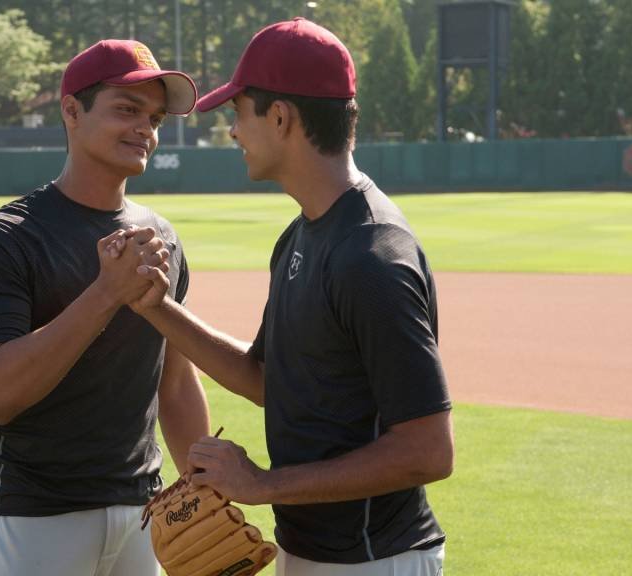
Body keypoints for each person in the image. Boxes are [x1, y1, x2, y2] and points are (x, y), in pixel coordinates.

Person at [124, 18, 454, 576]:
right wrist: (156, 308)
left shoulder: (372, 255)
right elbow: (268, 380)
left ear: (280, 117)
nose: (233, 131)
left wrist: (261, 484)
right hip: (312, 551)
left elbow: (427, 451)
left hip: (376, 560)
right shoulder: (302, 234)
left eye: (238, 112)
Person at [0, 39, 210, 576]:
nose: (145, 128)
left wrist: (203, 492)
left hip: (145, 512)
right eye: (126, 109)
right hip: (39, 516)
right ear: (72, 110)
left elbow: (177, 385)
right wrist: (105, 292)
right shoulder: (5, 238)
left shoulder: (161, 237)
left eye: (154, 117)